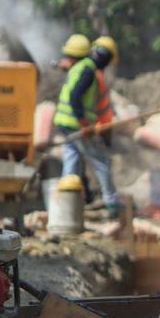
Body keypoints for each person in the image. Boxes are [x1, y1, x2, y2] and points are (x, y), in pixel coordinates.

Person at [53, 42, 120, 217]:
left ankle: (68, 204)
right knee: (101, 161)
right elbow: (75, 97)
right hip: (76, 124)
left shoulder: (80, 67)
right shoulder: (88, 70)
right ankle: (112, 204)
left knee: (72, 161)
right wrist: (85, 125)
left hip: (65, 123)